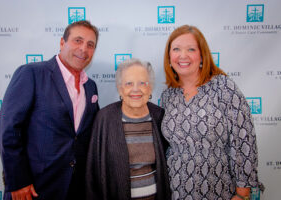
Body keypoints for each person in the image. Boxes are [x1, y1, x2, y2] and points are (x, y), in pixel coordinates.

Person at [0, 20, 100, 200]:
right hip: (33, 189)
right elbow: (9, 130)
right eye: (78, 40)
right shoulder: (31, 74)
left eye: (90, 45)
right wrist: (18, 180)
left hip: (75, 189)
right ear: (62, 43)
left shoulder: (90, 87)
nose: (84, 49)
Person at [160, 25, 262, 200]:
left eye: (191, 49)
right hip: (174, 190)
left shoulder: (223, 87)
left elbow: (244, 140)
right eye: (176, 49)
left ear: (202, 55)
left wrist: (242, 193)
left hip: (218, 189)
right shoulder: (168, 95)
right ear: (169, 57)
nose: (183, 55)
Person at [86, 58, 171, 200]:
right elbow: (93, 171)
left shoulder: (159, 116)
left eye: (142, 83)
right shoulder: (104, 118)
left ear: (150, 88)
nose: (136, 89)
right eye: (129, 83)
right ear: (120, 88)